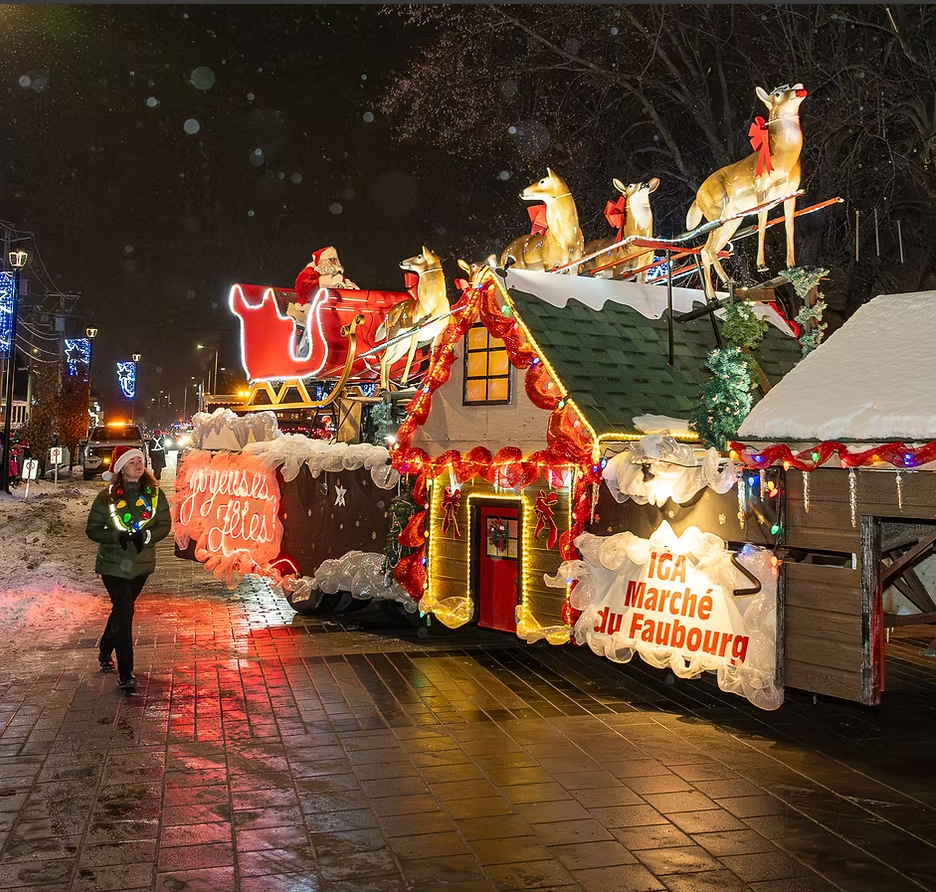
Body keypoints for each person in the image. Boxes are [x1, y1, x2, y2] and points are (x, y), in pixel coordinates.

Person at [85, 445, 171, 690]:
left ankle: (105, 648)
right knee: (125, 612)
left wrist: (147, 536)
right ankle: (125, 672)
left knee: (121, 611)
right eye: (131, 462)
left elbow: (164, 523)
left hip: (141, 565)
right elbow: (92, 529)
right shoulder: (107, 496)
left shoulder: (155, 494)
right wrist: (116, 537)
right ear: (121, 468)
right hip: (113, 566)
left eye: (139, 461)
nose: (137, 465)